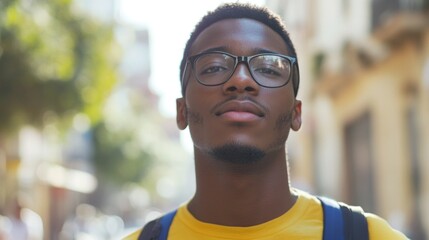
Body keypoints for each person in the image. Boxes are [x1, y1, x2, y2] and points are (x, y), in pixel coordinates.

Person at [125, 3, 408, 239]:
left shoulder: (368, 236)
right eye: (214, 67)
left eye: (269, 68)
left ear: (296, 113)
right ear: (181, 111)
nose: (241, 80)